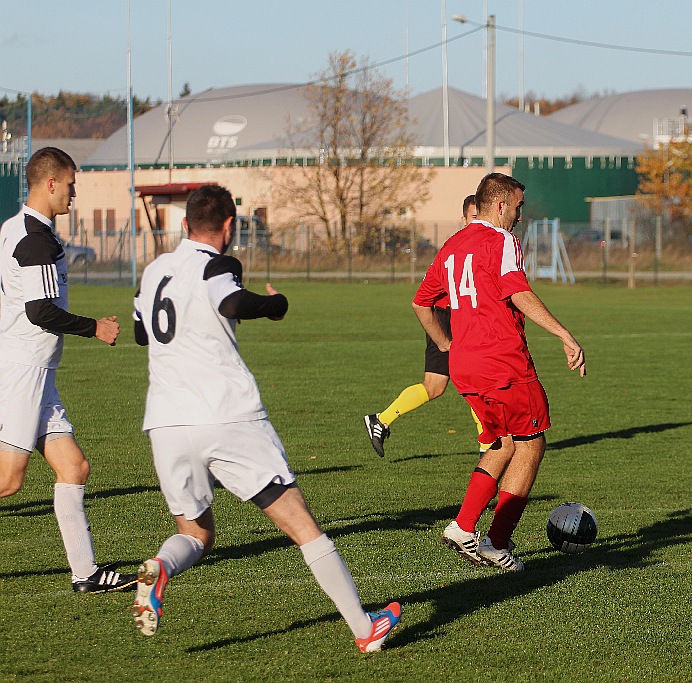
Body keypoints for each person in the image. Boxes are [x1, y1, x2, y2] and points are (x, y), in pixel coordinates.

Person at [131, 184, 400, 649]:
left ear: (184, 223)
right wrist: (276, 306)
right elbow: (230, 302)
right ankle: (364, 628)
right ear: (230, 226)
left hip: (166, 422)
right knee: (300, 523)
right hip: (225, 416)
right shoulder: (218, 264)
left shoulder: (155, 270)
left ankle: (160, 569)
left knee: (195, 533)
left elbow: (141, 332)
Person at [412, 173, 586, 572]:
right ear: (501, 204)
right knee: (531, 444)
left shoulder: (452, 245)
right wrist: (564, 334)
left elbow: (422, 303)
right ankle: (497, 540)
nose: (521, 216)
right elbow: (517, 291)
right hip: (502, 362)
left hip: (466, 366)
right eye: (519, 207)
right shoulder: (502, 241)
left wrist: (444, 344)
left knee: (501, 444)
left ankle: (462, 526)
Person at [0, 147, 135, 593]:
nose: (75, 193)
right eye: (72, 184)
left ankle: (86, 573)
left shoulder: (12, 228)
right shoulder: (36, 239)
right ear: (51, 183)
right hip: (23, 370)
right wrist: (93, 327)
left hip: (34, 369)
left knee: (74, 468)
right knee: (7, 480)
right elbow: (39, 310)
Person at [364, 195, 487, 457]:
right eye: (474, 217)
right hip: (445, 317)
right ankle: (487, 445)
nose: (478, 222)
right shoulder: (455, 247)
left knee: (435, 386)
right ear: (463, 220)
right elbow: (428, 292)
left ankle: (380, 420)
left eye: (482, 217)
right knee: (470, 379)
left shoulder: (481, 245)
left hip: (456, 316)